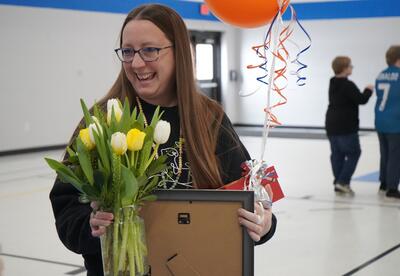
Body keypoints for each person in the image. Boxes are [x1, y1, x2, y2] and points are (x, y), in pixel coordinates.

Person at [49, 4, 277, 275]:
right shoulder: (101, 121)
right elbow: (66, 211)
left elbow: (250, 197)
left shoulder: (209, 118)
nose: (136, 63)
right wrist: (91, 226)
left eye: (149, 50)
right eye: (128, 51)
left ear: (178, 52)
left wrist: (264, 224)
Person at [325, 56, 373, 196]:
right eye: (350, 65)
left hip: (331, 124)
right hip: (346, 125)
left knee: (337, 154)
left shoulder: (332, 82)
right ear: (344, 68)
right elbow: (361, 99)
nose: (352, 67)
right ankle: (343, 181)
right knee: (354, 153)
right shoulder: (348, 85)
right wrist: (368, 90)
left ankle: (338, 182)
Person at [375, 45, 400, 200]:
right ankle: (392, 188)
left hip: (381, 120)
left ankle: (383, 184)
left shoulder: (381, 75)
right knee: (395, 156)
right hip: (395, 122)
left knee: (385, 154)